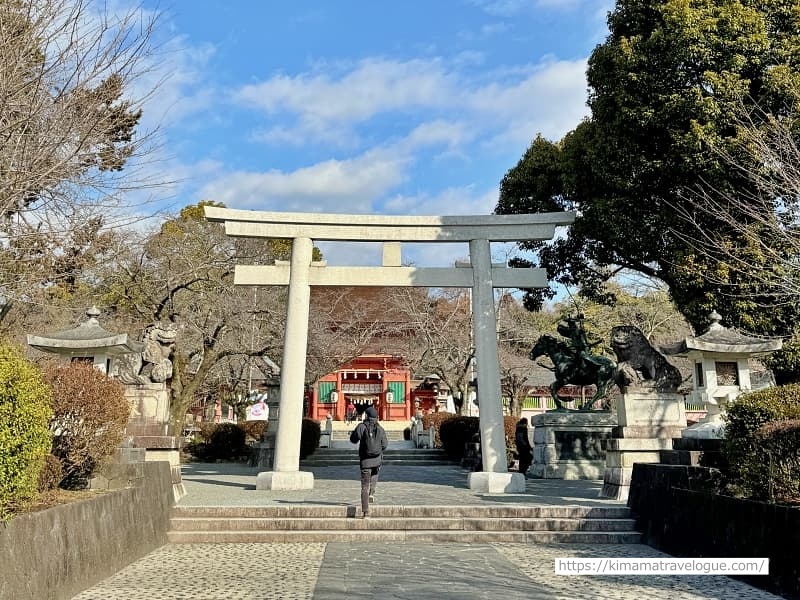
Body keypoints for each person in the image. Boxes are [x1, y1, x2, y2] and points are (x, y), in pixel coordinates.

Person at [349, 405, 388, 518]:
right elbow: (385, 445)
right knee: (375, 474)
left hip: (365, 460)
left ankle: (366, 512)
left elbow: (353, 440)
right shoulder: (380, 429)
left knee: (364, 486)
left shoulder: (362, 426)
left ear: (367, 416)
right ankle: (372, 492)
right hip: (377, 460)